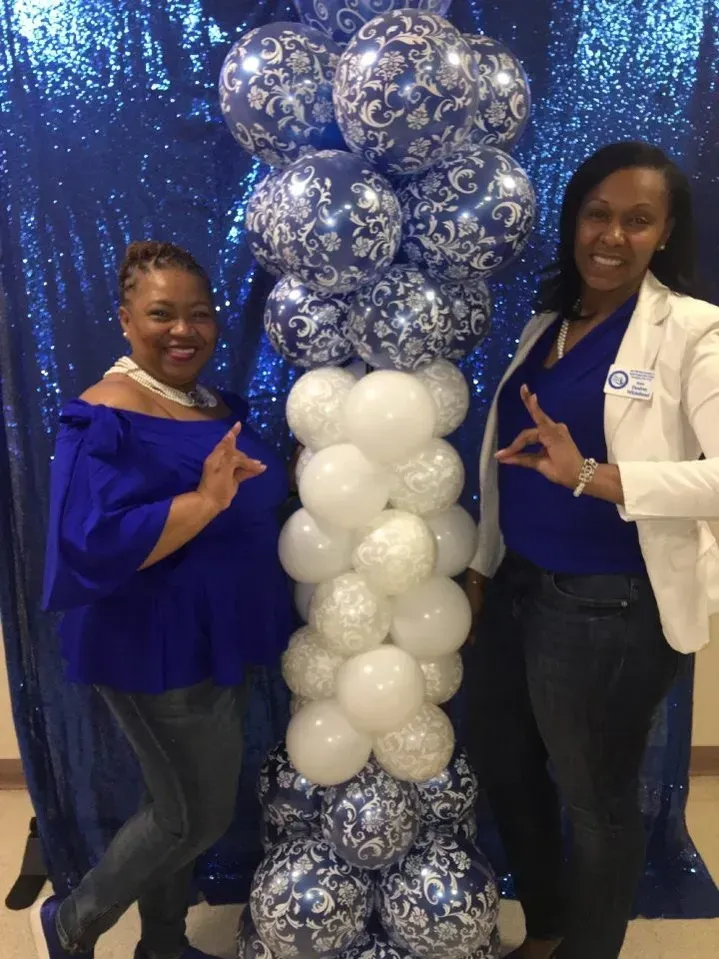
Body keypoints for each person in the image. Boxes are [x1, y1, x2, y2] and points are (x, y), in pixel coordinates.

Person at [463, 142, 719, 959]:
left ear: (665, 231)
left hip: (610, 605)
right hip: (516, 587)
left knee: (595, 801)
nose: (612, 235)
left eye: (637, 219)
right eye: (597, 214)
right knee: (506, 770)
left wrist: (597, 477)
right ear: (575, 220)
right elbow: (511, 461)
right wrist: (479, 561)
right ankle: (544, 931)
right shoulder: (550, 324)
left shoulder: (691, 331)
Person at [33, 241, 294, 959]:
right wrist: (207, 500)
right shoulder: (104, 413)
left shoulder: (209, 401)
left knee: (172, 803)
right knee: (191, 816)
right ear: (124, 320)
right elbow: (91, 540)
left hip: (220, 634)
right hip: (154, 644)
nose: (184, 330)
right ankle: (71, 920)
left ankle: (165, 943)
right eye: (161, 314)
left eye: (199, 314)